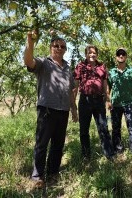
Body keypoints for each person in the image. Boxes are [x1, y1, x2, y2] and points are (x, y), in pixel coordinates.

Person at [24, 31, 78, 188]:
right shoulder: (44, 63)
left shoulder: (68, 68)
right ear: (50, 47)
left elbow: (70, 91)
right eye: (56, 45)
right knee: (41, 144)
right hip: (47, 110)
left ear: (65, 50)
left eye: (62, 46)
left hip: (63, 111)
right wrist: (30, 41)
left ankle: (53, 173)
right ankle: (37, 176)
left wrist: (74, 109)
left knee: (58, 144)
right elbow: (28, 61)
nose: (59, 48)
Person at [73, 44, 114, 160]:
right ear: (86, 54)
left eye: (94, 53)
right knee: (84, 129)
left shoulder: (102, 66)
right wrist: (73, 105)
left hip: (99, 101)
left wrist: (108, 99)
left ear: (97, 54)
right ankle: (86, 155)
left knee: (103, 127)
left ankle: (109, 154)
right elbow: (75, 86)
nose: (92, 54)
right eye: (89, 52)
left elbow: (105, 84)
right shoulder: (80, 66)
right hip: (85, 100)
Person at [107, 48, 132, 161]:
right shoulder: (111, 72)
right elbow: (107, 87)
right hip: (115, 104)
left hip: (129, 104)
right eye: (119, 54)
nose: (121, 56)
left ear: (126, 56)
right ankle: (118, 149)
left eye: (123, 54)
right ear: (116, 57)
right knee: (116, 128)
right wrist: (108, 101)